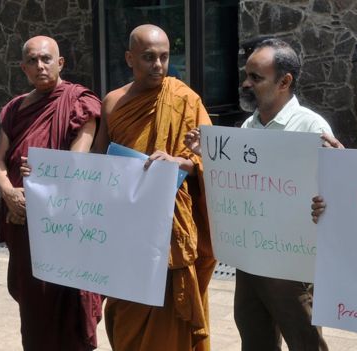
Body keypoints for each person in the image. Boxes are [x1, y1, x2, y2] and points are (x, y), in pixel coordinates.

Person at [187, 38, 336, 351]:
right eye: (247, 74)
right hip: (249, 258)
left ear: (284, 81)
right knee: (254, 339)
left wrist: (337, 181)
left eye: (256, 77)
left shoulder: (311, 128)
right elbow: (236, 185)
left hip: (290, 265)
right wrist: (208, 155)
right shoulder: (247, 128)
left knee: (305, 341)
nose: (246, 83)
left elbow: (334, 194)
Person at [91, 24, 215, 351]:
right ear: (130, 58)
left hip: (170, 232)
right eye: (148, 57)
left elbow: (213, 160)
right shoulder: (114, 103)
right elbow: (97, 164)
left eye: (163, 57)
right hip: (127, 231)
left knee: (172, 319)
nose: (158, 65)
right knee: (125, 315)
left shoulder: (185, 99)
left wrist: (182, 161)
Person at [0, 35, 102, 351]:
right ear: (23, 67)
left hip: (62, 225)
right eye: (32, 61)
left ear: (60, 63)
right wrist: (10, 193)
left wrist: (41, 186)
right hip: (22, 222)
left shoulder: (79, 102)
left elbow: (76, 163)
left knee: (68, 306)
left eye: (46, 59)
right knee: (34, 310)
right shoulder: (14, 109)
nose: (40, 66)